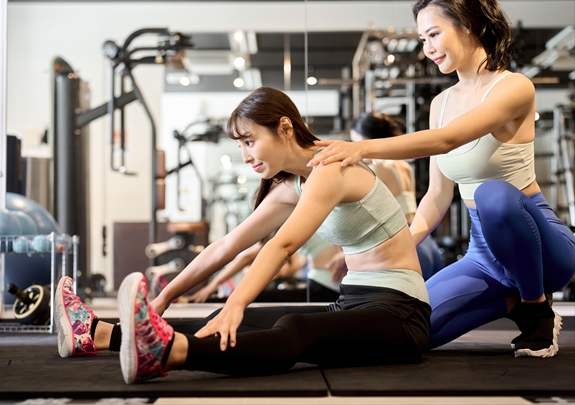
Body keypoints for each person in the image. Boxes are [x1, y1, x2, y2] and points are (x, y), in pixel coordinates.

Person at [55, 86, 431, 384]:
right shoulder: (291, 185)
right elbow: (226, 246)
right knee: (227, 317)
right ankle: (99, 334)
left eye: (249, 141)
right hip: (354, 303)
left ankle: (167, 354)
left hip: (400, 314)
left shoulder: (330, 168)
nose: (245, 155)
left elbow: (284, 245)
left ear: (285, 128)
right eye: (240, 145)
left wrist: (239, 302)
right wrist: (165, 297)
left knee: (291, 327)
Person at [308, 0, 575, 358]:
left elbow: (447, 140)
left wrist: (361, 148)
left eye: (434, 33)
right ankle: (512, 304)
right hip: (483, 255)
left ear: (469, 23)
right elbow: (436, 196)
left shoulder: (514, 88)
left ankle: (536, 309)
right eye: (421, 39)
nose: (428, 48)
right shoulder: (441, 103)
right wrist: (392, 247)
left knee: (492, 194)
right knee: (410, 330)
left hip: (541, 248)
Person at [351, 111, 443, 280]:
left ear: (368, 140)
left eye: (356, 142)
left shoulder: (380, 168)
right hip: (425, 240)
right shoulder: (403, 164)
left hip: (403, 240)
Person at [187, 233, 342, 304]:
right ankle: (204, 299)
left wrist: (214, 285)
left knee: (257, 297)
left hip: (326, 287)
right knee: (257, 296)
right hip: (324, 283)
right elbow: (246, 257)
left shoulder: (291, 220)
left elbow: (247, 257)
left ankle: (203, 300)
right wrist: (215, 284)